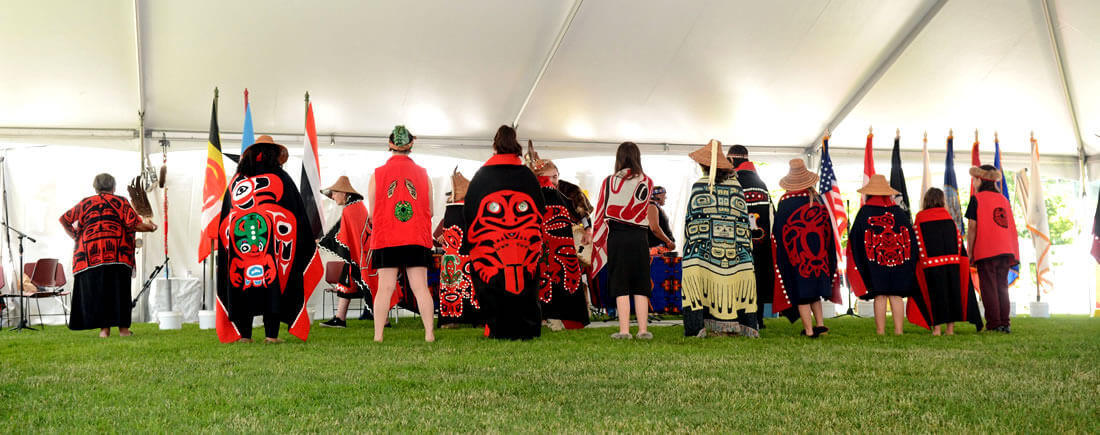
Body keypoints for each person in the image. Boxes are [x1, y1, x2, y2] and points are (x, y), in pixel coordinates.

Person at [215, 136, 323, 343]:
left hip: (239, 252)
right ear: (274, 156)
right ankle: (271, 336)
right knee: (272, 288)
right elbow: (297, 214)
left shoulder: (236, 181)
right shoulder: (281, 178)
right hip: (271, 252)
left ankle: (245, 335)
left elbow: (226, 220)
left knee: (241, 287)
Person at [464, 125, 546, 339]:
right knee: (525, 285)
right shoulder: (527, 176)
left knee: (496, 285)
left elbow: (470, 212)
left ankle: (497, 327)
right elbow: (540, 210)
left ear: (495, 145)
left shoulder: (481, 177)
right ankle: (527, 327)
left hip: (492, 242)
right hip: (522, 246)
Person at [592, 141, 674, 340]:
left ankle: (624, 330)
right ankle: (643, 330)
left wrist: (595, 237)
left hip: (617, 236)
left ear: (619, 158)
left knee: (620, 283)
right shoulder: (647, 181)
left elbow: (601, 211)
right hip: (639, 237)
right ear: (638, 157)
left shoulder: (609, 182)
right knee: (640, 282)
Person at [59, 173, 157, 338]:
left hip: (90, 257)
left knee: (100, 293)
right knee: (120, 293)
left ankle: (104, 331)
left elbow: (64, 219)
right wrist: (150, 227)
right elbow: (134, 224)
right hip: (118, 255)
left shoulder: (85, 203)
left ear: (95, 188)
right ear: (114, 187)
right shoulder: (121, 202)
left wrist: (76, 236)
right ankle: (124, 331)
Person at [681, 140, 757, 338]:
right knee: (731, 282)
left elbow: (690, 221)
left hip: (704, 251)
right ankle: (737, 326)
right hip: (735, 251)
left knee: (702, 282)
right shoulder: (737, 187)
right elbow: (743, 222)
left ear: (704, 166)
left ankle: (703, 327)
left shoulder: (699, 186)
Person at [367, 126, 436, 342]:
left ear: (390, 145)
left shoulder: (377, 174)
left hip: (387, 236)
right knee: (420, 287)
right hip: (416, 236)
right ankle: (429, 334)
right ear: (410, 146)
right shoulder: (424, 174)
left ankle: (378, 336)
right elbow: (431, 211)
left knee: (384, 288)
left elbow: (372, 213)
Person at [771, 159, 840, 338]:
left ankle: (809, 330)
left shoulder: (785, 202)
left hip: (797, 255)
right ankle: (820, 325)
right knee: (814, 292)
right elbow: (828, 230)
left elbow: (778, 231)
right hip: (820, 256)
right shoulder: (818, 200)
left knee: (801, 293)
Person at [527, 141, 588, 331]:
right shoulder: (533, 192)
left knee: (559, 282)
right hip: (541, 249)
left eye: (556, 176)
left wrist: (588, 229)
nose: (554, 180)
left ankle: (557, 318)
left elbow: (582, 212)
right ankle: (543, 317)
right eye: (551, 177)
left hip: (559, 249)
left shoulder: (566, 191)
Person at [847, 174, 917, 335]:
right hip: (899, 262)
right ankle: (899, 331)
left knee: (880, 294)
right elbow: (910, 238)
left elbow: (855, 238)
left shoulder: (864, 212)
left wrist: (862, 260)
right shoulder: (898, 213)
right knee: (896, 295)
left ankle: (880, 331)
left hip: (875, 263)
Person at [907, 188, 983, 335]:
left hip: (930, 266)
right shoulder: (949, 219)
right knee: (952, 294)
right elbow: (958, 243)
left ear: (926, 201)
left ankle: (936, 328)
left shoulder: (921, 218)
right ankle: (950, 329)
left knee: (935, 295)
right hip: (952, 265)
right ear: (942, 200)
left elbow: (916, 241)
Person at [966, 165, 1020, 333]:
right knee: (1002, 286)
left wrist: (970, 252)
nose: (973, 183)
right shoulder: (1004, 199)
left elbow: (972, 227)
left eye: (975, 180)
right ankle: (1005, 322)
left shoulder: (977, 198)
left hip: (987, 248)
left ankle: (994, 324)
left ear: (981, 180)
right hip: (1005, 249)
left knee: (988, 287)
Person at [729, 144, 775, 330]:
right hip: (761, 242)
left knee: (738, 277)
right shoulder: (761, 184)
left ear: (732, 160)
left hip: (738, 242)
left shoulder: (732, 182)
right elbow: (772, 214)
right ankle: (759, 319)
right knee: (759, 277)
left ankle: (740, 318)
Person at [318, 176, 371, 328]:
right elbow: (342, 231)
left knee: (361, 284)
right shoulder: (356, 207)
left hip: (361, 257)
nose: (333, 196)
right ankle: (340, 318)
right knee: (345, 282)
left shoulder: (352, 209)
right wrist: (323, 241)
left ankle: (342, 318)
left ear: (344, 193)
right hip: (360, 256)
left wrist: (323, 242)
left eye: (334, 193)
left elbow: (340, 233)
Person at [436, 169, 483, 328]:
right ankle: (464, 316)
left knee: (459, 281)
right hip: (457, 256)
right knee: (458, 281)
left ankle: (454, 318)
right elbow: (438, 236)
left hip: (459, 255)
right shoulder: (455, 209)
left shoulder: (457, 209)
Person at [647, 186, 674, 251]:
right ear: (657, 195)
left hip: (660, 249)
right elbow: (654, 228)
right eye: (664, 195)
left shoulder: (655, 207)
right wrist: (669, 242)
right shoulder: (651, 206)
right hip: (657, 250)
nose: (665, 197)